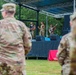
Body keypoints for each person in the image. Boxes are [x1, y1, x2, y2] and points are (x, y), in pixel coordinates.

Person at [0, 3, 32, 75]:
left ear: (4, 12)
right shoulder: (21, 25)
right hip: (18, 63)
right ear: (13, 12)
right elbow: (28, 45)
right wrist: (20, 54)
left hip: (2, 64)